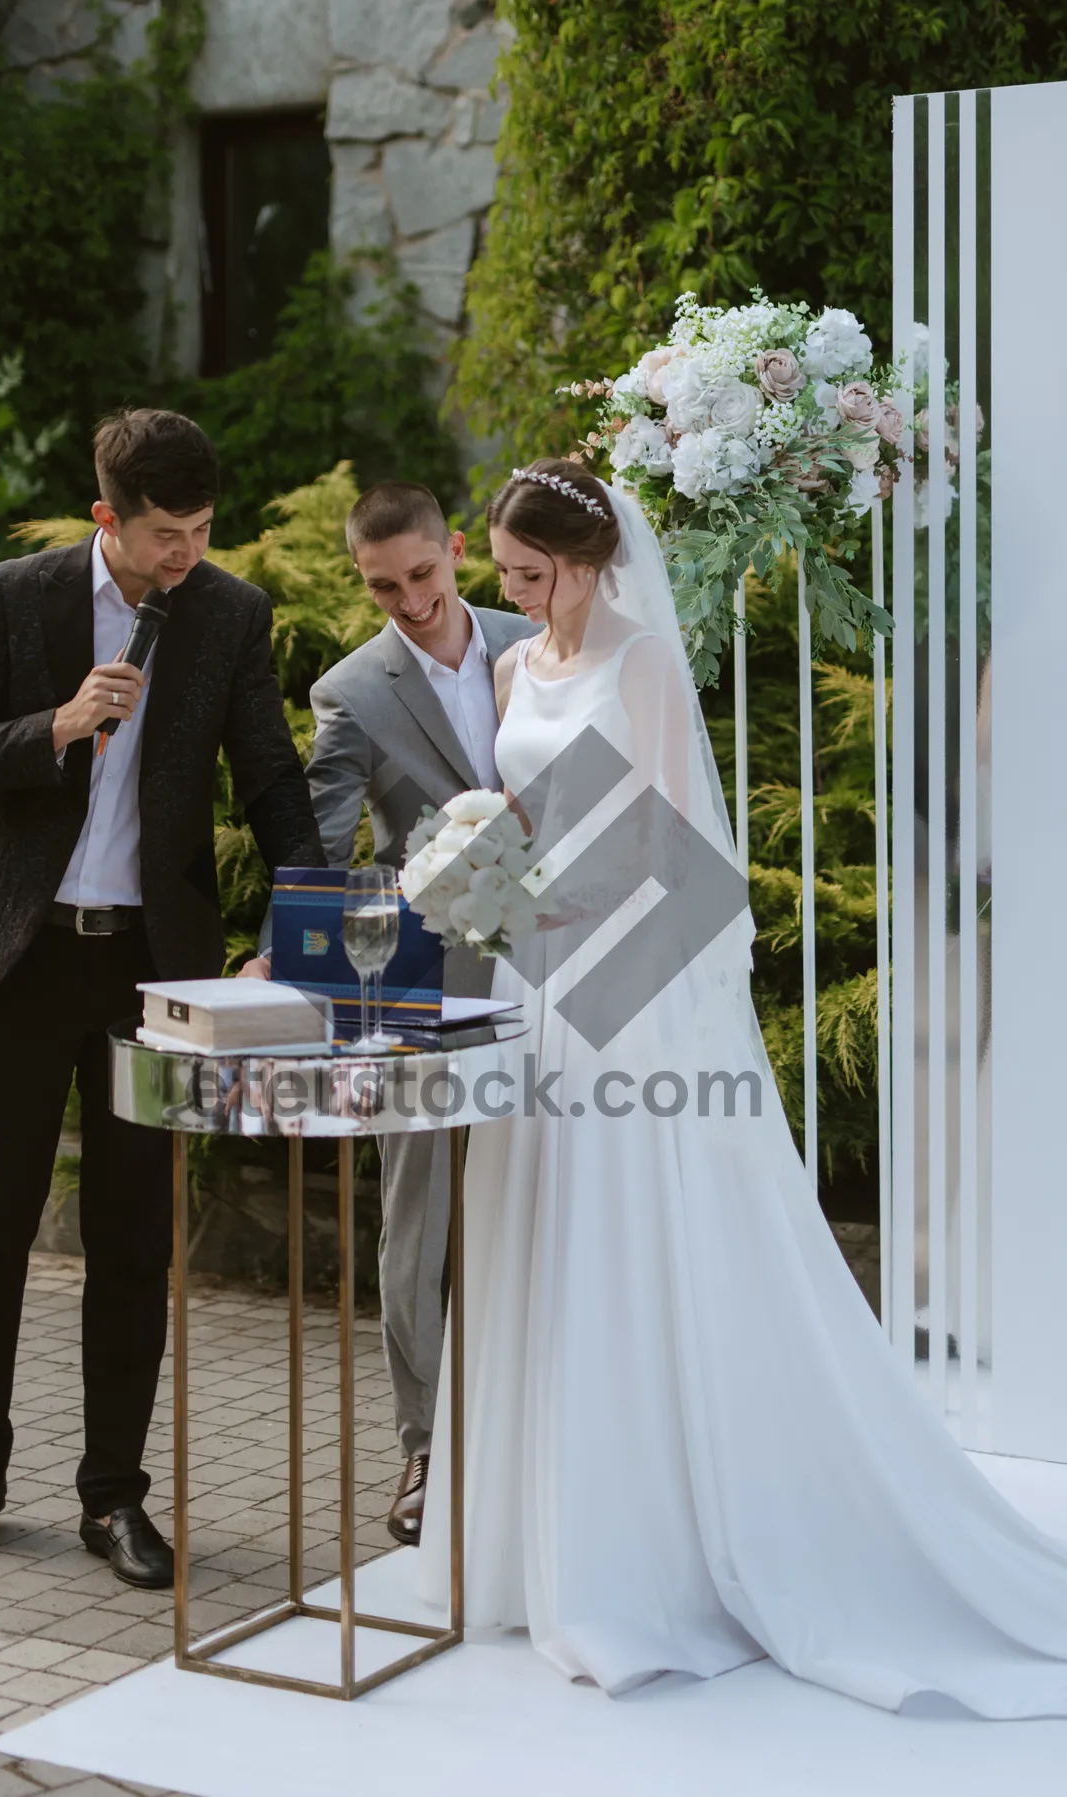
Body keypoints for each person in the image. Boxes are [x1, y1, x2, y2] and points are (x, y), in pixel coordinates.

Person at [417, 459, 1067, 1716]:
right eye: (504, 573)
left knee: (626, 1247)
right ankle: (523, 1545)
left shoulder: (641, 665)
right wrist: (475, 865)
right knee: (532, 1246)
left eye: (532, 574)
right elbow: (516, 805)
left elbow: (676, 844)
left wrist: (547, 887)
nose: (514, 595)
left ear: (592, 563)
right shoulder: (508, 671)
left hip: (631, 996)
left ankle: (645, 1556)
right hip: (536, 995)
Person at [0, 409, 324, 1586]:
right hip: (16, 956)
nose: (184, 552)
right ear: (106, 518)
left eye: (200, 529)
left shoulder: (232, 615)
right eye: (163, 532)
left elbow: (271, 773)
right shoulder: (16, 596)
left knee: (135, 1238)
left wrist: (312, 918)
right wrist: (58, 725)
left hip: (153, 967)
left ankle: (112, 1500)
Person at [241, 481, 533, 1545]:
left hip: (560, 964)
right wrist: (292, 937)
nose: (408, 600)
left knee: (548, 1192)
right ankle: (423, 1450)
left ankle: (535, 1424)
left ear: (454, 552)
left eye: (422, 575)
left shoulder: (535, 630)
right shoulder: (351, 689)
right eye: (383, 586)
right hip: (431, 975)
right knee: (420, 1213)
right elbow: (321, 835)